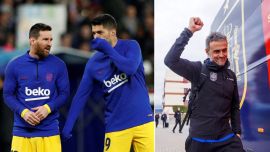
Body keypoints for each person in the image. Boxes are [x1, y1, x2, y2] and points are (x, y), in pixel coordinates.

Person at [62, 14, 154, 152]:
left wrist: (108, 50)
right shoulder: (93, 63)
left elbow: (129, 68)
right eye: (93, 33)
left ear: (113, 32)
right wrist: (68, 126)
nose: (96, 37)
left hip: (144, 122)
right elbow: (80, 96)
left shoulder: (131, 46)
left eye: (100, 32)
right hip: (116, 127)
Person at [164, 17, 244, 152]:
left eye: (224, 50)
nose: (222, 54)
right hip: (200, 141)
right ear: (207, 52)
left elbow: (235, 106)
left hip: (226, 140)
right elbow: (170, 60)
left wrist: (237, 132)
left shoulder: (231, 76)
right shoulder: (198, 70)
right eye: (216, 51)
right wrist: (189, 31)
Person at [3, 23, 70, 152]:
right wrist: (24, 112)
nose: (49, 43)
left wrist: (47, 108)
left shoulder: (59, 65)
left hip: (50, 132)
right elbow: (7, 95)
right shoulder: (14, 65)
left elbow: (64, 93)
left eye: (51, 39)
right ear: (32, 40)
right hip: (22, 133)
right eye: (45, 39)